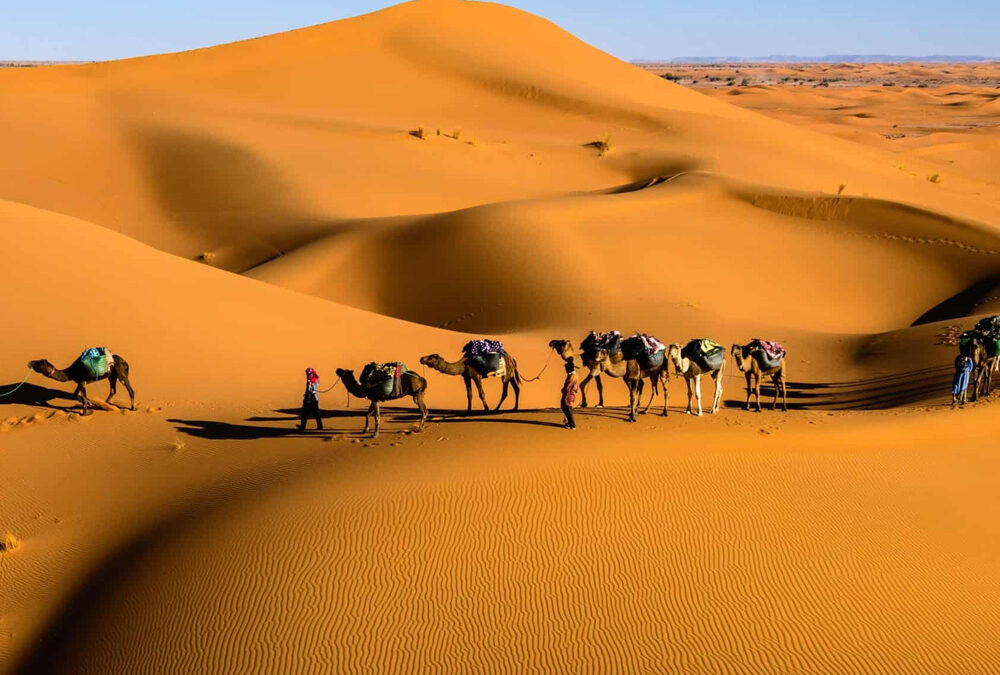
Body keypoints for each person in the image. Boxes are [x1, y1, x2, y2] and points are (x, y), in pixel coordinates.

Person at [560, 359, 579, 430]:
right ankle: (570, 422)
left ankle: (572, 424)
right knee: (565, 407)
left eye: (566, 368)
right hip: (569, 393)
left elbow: (568, 386)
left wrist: (563, 390)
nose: (565, 370)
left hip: (569, 394)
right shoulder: (573, 375)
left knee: (567, 408)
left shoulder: (573, 376)